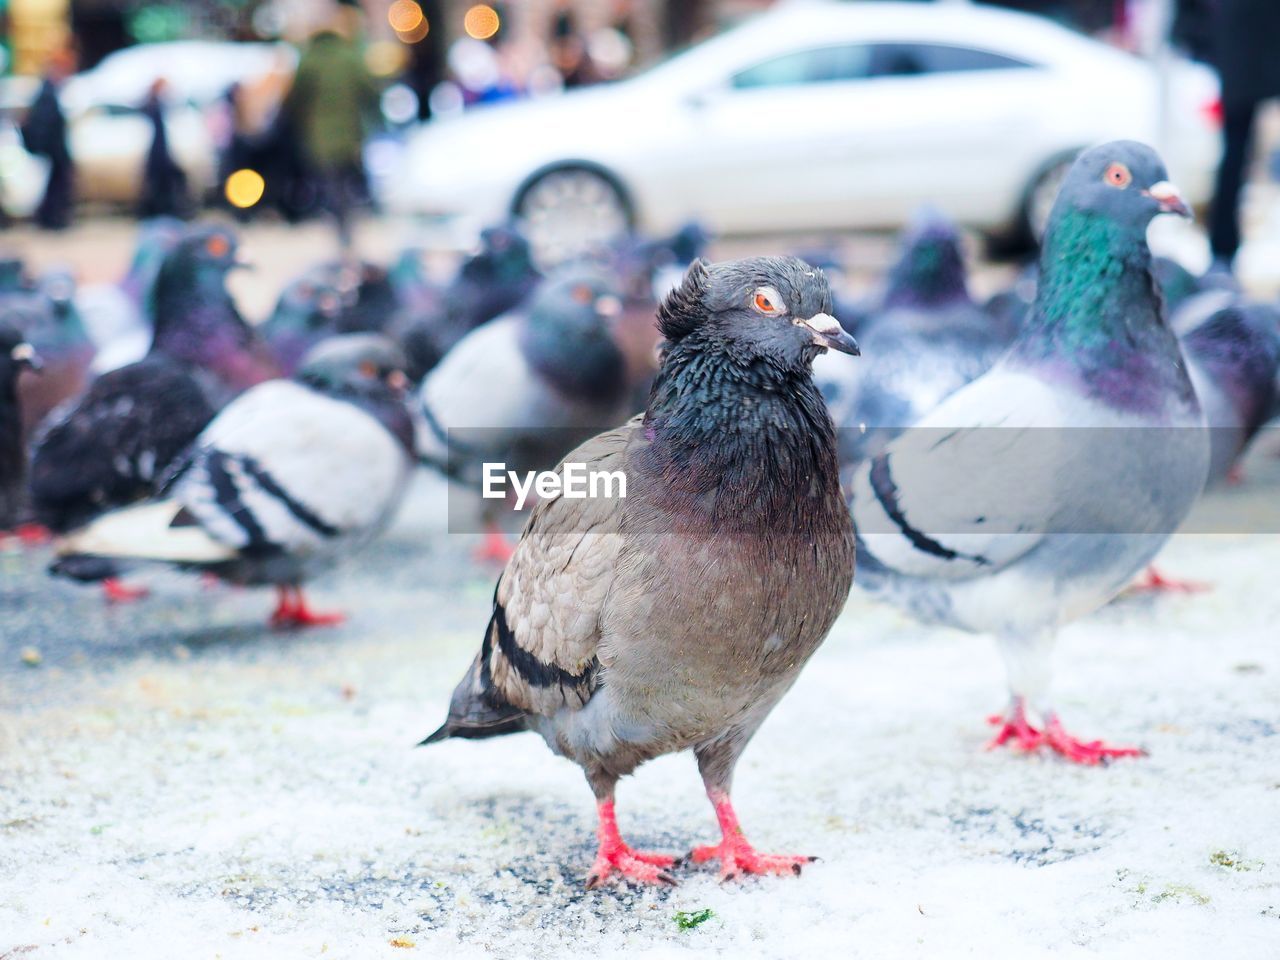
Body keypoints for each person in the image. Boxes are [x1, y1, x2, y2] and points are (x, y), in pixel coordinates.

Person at [283, 14, 379, 251]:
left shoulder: (309, 59)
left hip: (319, 135)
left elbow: (295, 98)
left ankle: (341, 227)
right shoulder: (350, 57)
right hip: (350, 133)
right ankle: (353, 222)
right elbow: (369, 91)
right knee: (349, 181)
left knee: (331, 185)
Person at [1206, 0, 1280, 271]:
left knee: (1234, 155)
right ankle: (1222, 254)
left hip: (1239, 53)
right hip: (1244, 50)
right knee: (1234, 155)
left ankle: (1221, 255)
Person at [21, 44, 77, 230]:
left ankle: (51, 219)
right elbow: (47, 125)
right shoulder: (48, 92)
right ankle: (51, 220)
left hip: (54, 150)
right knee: (55, 187)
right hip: (53, 150)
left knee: (55, 186)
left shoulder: (50, 90)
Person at [137, 78, 190, 220]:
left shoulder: (159, 105)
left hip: (161, 152)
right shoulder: (151, 105)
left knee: (164, 184)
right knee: (158, 185)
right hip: (157, 153)